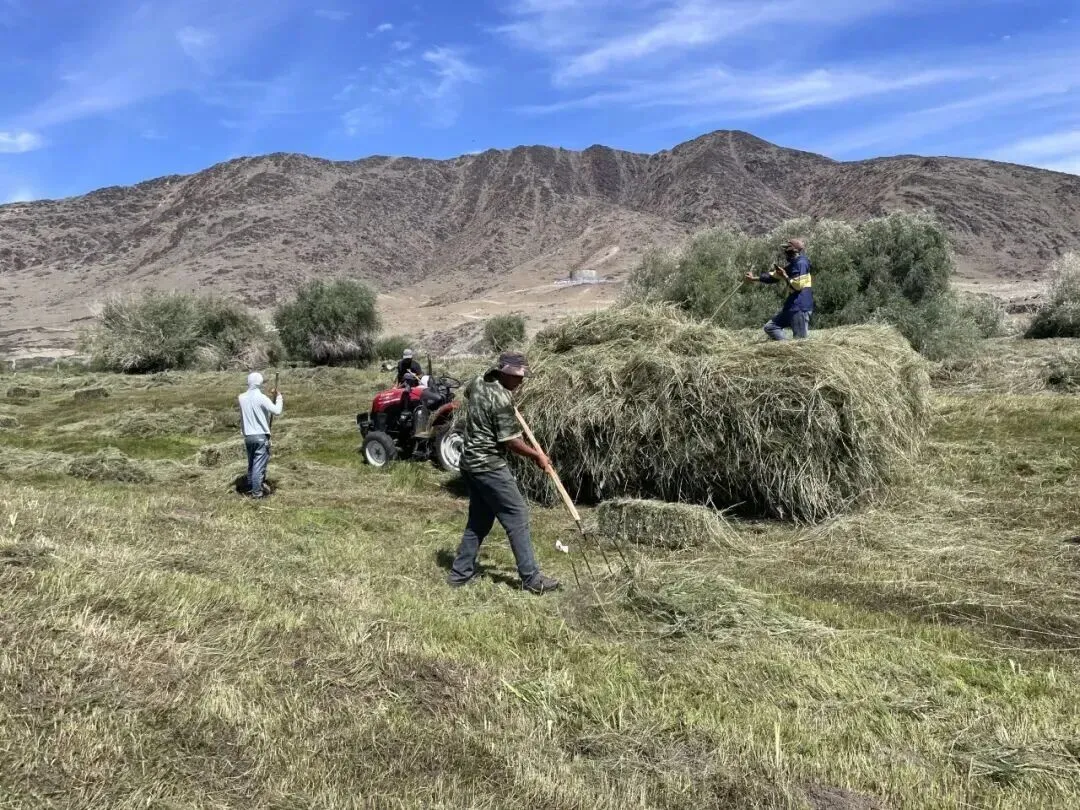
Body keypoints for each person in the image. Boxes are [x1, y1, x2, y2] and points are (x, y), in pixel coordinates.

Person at [448, 351, 561, 594]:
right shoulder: (501, 399)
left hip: (469, 462)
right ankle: (531, 579)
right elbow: (511, 441)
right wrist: (537, 456)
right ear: (504, 373)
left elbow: (468, 395)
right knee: (517, 515)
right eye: (518, 377)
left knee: (479, 520)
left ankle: (459, 574)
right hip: (488, 465)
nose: (521, 382)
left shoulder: (478, 381)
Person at [744, 238, 814, 340]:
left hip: (800, 307)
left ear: (793, 250)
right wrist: (753, 278)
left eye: (787, 248)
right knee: (771, 327)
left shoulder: (801, 263)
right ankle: (787, 348)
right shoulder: (793, 264)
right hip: (792, 306)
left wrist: (785, 275)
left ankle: (793, 352)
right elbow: (773, 276)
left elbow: (798, 286)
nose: (785, 251)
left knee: (800, 342)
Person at [237, 371, 283, 499]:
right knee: (258, 465)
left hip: (248, 437)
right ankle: (257, 494)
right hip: (260, 437)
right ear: (260, 383)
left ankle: (251, 487)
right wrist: (278, 397)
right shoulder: (262, 398)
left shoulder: (241, 397)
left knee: (252, 463)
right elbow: (277, 411)